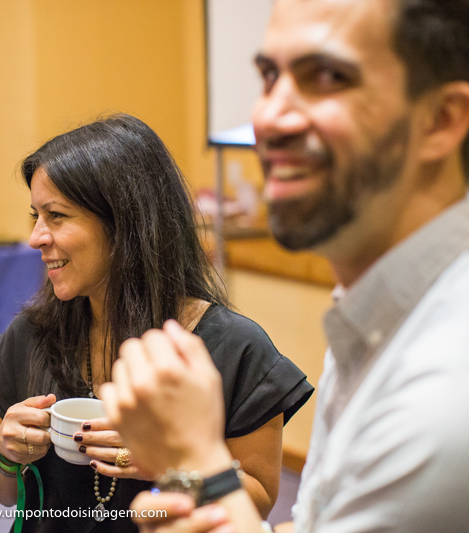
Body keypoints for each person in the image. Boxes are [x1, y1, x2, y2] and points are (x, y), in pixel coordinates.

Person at [101, 1, 469, 532]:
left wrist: (194, 460)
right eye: (270, 77)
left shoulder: (445, 387)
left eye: (328, 77)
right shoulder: (375, 314)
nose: (268, 118)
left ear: (442, 119)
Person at [0, 114, 314, 532]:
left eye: (56, 216)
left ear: (124, 223)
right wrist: (4, 451)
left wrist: (172, 464)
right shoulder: (32, 334)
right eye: (36, 216)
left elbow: (256, 503)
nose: (36, 237)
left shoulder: (234, 349)